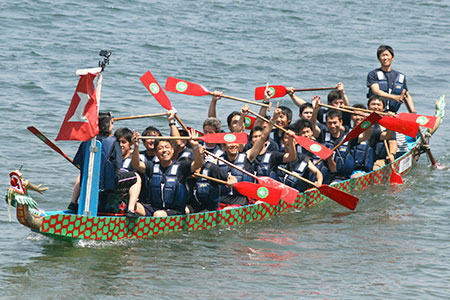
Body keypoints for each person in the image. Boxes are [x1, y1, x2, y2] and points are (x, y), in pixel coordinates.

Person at [68, 112, 142, 216]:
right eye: (112, 123)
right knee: (137, 177)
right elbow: (117, 166)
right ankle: (130, 210)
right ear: (108, 126)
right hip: (108, 184)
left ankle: (73, 202)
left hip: (90, 181)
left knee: (82, 174)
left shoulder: (87, 141)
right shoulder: (114, 142)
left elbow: (78, 163)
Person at [131, 129, 204, 217]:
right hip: (155, 208)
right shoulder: (152, 167)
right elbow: (136, 165)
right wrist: (136, 146)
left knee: (158, 214)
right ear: (156, 153)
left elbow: (197, 164)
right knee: (132, 205)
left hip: (175, 211)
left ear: (172, 150)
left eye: (167, 147)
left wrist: (195, 147)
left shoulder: (181, 167)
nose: (164, 150)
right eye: (160, 148)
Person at [367, 45, 416, 114]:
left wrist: (413, 113)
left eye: (387, 55)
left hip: (392, 114)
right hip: (376, 113)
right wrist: (394, 97)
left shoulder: (400, 76)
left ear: (392, 57)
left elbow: (406, 96)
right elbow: (376, 91)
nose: (385, 58)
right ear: (379, 58)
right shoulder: (373, 74)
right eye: (382, 55)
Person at [366, 96, 397, 170]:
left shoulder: (386, 123)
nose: (376, 107)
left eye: (378, 105)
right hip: (364, 155)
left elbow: (392, 141)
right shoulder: (363, 120)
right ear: (368, 107)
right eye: (373, 104)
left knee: (376, 168)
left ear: (383, 109)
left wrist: (392, 154)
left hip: (379, 159)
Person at [347, 104, 375, 178]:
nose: (358, 117)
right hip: (348, 169)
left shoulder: (371, 132)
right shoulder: (346, 132)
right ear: (351, 117)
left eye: (360, 115)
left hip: (362, 170)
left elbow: (366, 136)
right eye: (355, 115)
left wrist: (369, 121)